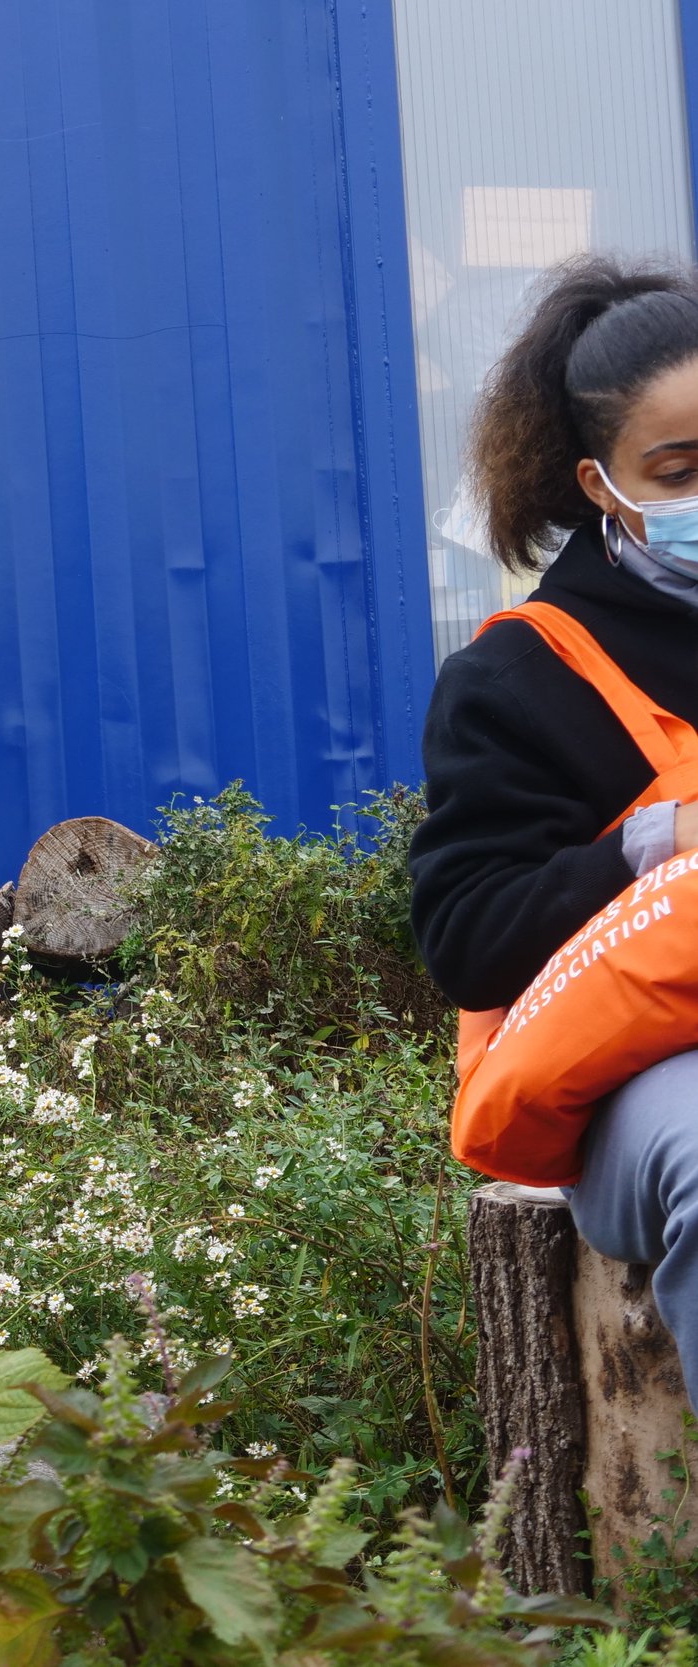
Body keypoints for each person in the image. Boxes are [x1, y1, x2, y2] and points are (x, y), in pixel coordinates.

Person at [410, 255, 698, 1396]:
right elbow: (466, 932)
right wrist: (650, 847)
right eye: (676, 469)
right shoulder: (520, 673)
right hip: (646, 1076)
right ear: (598, 481)